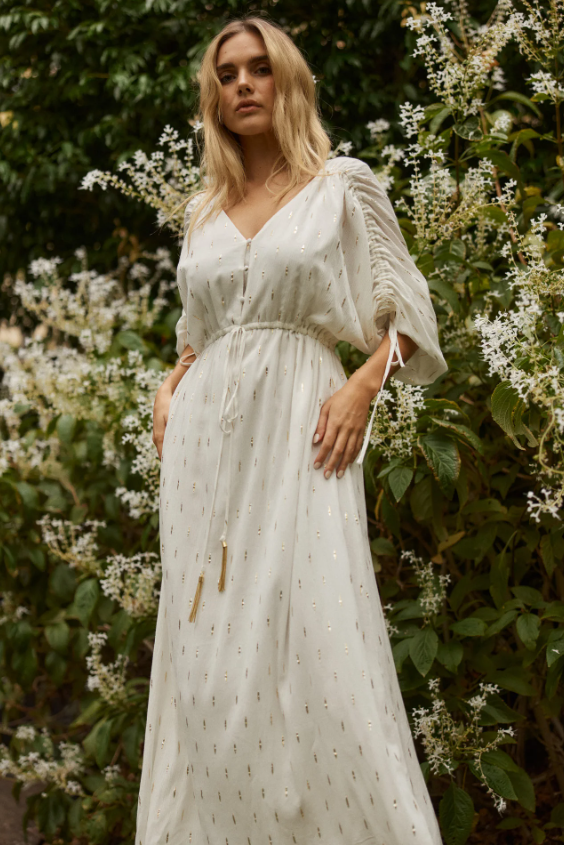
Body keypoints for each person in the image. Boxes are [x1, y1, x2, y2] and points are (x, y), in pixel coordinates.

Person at [136, 14, 448, 846]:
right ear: (214, 96)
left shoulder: (341, 186)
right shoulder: (203, 211)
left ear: (289, 80)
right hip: (202, 452)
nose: (243, 84)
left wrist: (361, 386)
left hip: (304, 427)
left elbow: (410, 317)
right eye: (227, 73)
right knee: (206, 646)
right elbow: (197, 334)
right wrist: (170, 389)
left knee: (317, 631)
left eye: (259, 68)